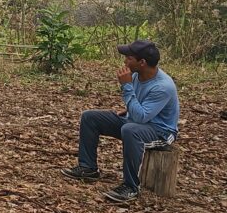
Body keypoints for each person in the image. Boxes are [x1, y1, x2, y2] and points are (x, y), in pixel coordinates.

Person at [62, 40, 180, 203]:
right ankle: (88, 168)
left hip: (160, 132)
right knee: (90, 117)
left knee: (130, 130)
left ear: (142, 62)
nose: (125, 61)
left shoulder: (163, 86)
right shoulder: (138, 75)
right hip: (138, 121)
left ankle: (131, 187)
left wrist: (126, 86)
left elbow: (141, 117)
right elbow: (142, 107)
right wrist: (129, 108)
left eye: (129, 58)